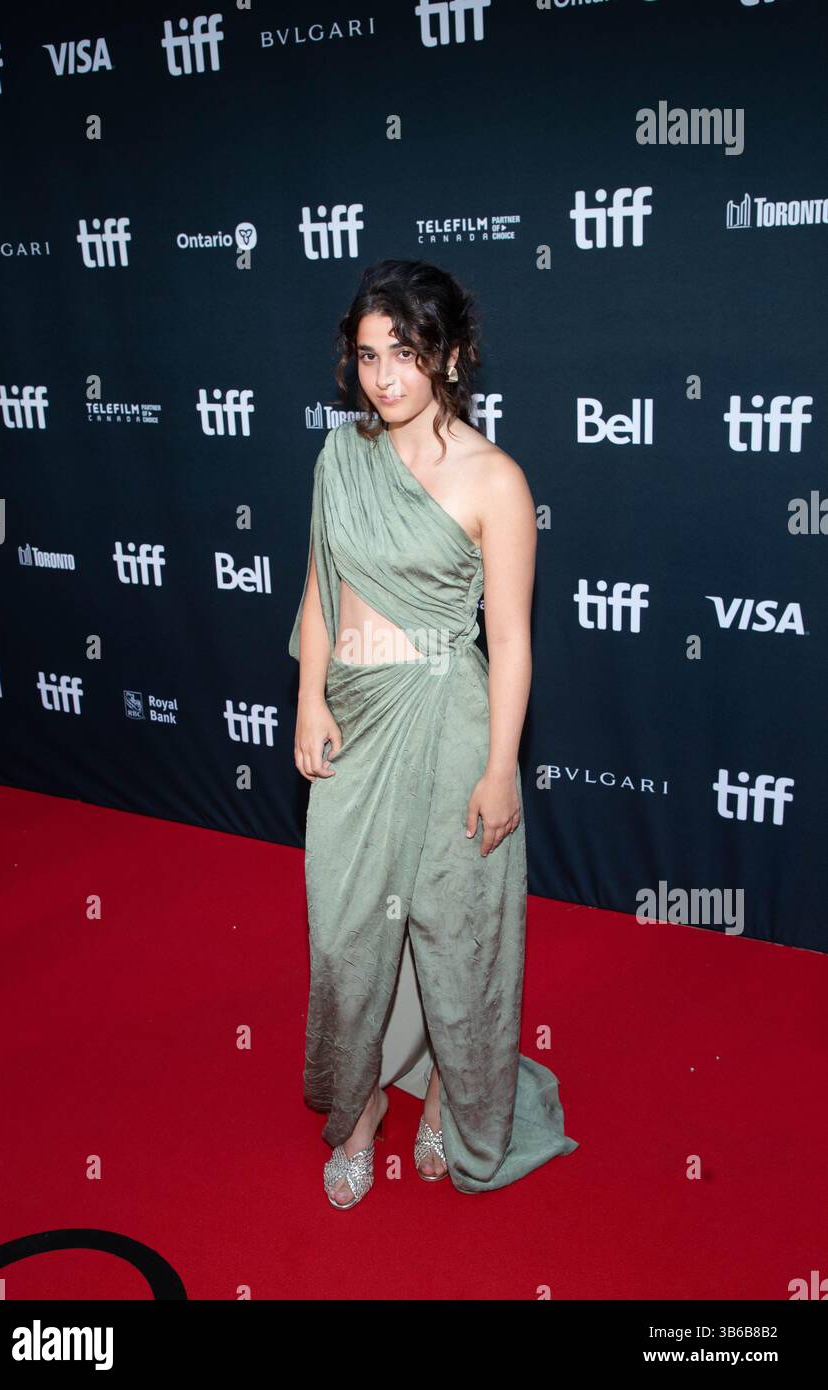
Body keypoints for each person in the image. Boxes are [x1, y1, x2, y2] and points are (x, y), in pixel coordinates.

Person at [289, 259, 578, 1208]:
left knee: (459, 936)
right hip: (358, 721)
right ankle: (362, 1108)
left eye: (405, 354)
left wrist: (501, 768)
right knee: (344, 941)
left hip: (453, 722)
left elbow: (515, 640)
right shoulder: (342, 457)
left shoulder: (496, 478)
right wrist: (310, 698)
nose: (383, 376)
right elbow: (321, 591)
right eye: (369, 355)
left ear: (449, 357)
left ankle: (456, 1088)